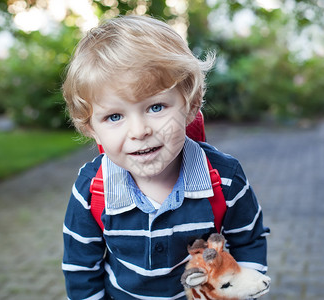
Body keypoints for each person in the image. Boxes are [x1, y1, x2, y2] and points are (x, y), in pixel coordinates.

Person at [61, 15, 269, 300]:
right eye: (114, 116)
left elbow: (249, 240)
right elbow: (81, 269)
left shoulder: (225, 179)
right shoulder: (91, 190)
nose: (139, 131)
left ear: (191, 104)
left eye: (156, 107)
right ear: (91, 129)